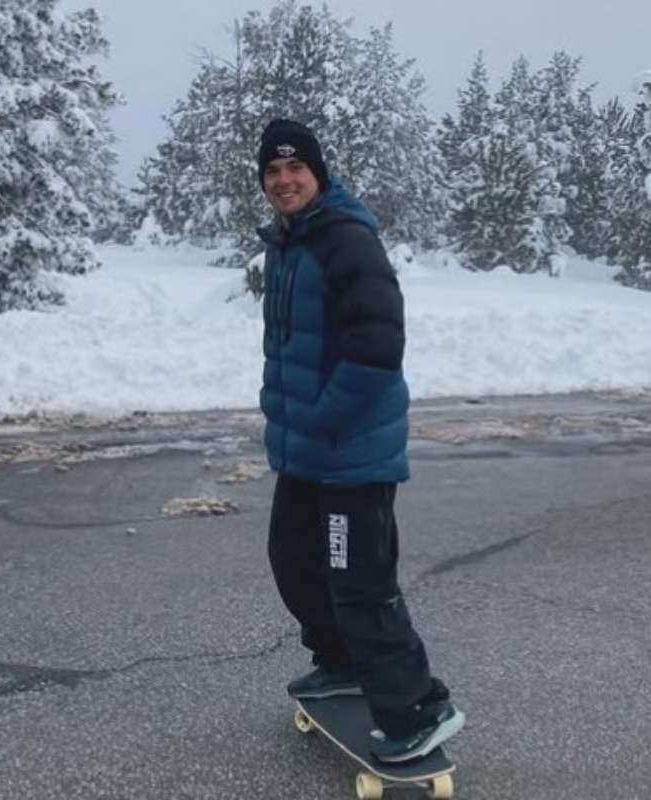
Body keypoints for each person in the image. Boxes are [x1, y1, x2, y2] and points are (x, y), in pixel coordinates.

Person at [255, 118, 464, 763]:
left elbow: (378, 348)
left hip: (350, 452)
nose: (284, 181)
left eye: (296, 169)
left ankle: (419, 707)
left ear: (317, 173)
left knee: (360, 583)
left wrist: (321, 416)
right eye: (272, 172)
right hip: (308, 450)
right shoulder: (289, 243)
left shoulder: (346, 240)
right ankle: (341, 662)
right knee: (293, 561)